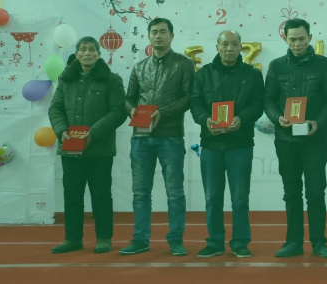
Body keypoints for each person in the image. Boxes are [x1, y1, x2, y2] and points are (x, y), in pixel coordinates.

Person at [264, 18, 327, 258]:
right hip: (285, 140)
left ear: (310, 38)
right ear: (285, 39)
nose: (297, 43)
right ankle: (293, 242)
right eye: (292, 39)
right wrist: (277, 118)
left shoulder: (325, 65)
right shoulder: (276, 66)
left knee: (316, 192)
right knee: (291, 192)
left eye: (301, 39)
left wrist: (319, 122)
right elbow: (268, 100)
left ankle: (319, 242)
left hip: (314, 139)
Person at [120, 18, 195, 256]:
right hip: (141, 137)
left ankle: (176, 239)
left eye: (163, 32)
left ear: (172, 36)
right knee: (140, 193)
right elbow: (129, 98)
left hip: (170, 136)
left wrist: (162, 112)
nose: (158, 36)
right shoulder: (139, 67)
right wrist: (131, 110)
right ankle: (140, 239)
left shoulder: (184, 64)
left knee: (175, 192)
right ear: (148, 36)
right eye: (154, 32)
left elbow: (188, 97)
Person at [48, 36, 126, 254]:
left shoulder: (112, 80)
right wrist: (61, 130)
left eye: (92, 50)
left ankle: (104, 238)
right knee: (72, 196)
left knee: (101, 196)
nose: (88, 53)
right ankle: (72, 239)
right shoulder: (66, 79)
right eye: (83, 49)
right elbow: (55, 108)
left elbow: (118, 112)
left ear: (99, 55)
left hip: (99, 149)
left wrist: (94, 132)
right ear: (77, 55)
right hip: (70, 148)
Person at [190, 30, 264, 258]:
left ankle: (240, 241)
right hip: (211, 144)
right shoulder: (203, 74)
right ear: (217, 47)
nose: (229, 49)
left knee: (240, 197)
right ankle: (214, 242)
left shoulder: (252, 74)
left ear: (241, 47)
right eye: (225, 44)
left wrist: (241, 119)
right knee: (212, 197)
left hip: (240, 143)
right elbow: (195, 103)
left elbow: (258, 104)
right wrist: (205, 120)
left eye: (234, 44)